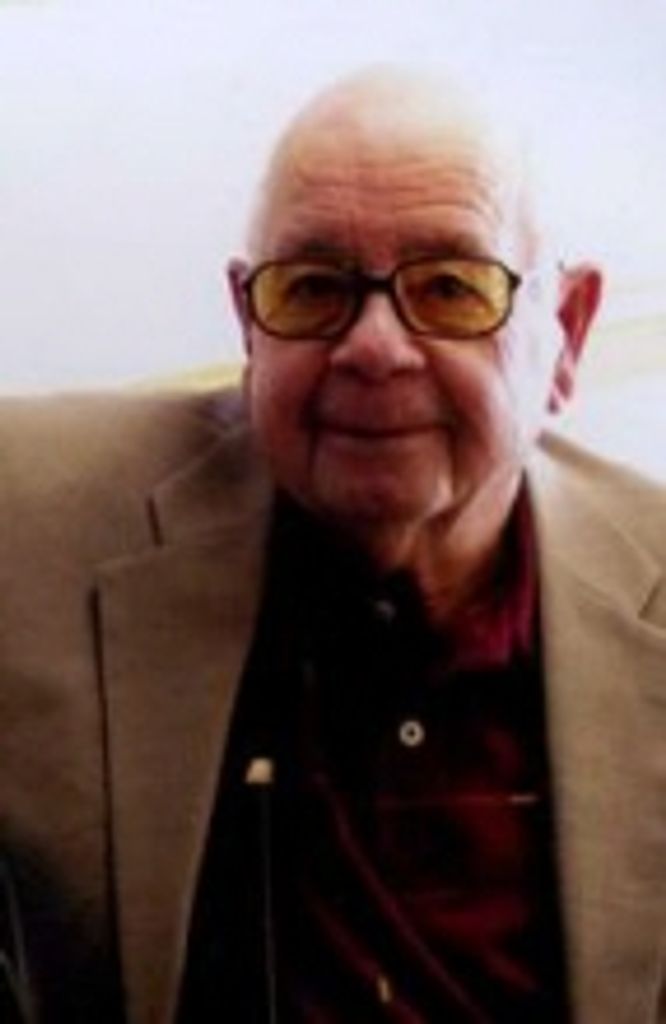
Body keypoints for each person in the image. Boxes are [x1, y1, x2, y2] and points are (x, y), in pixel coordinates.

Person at [0, 67, 664, 1024]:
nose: (374, 347)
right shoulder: (33, 523)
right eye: (313, 288)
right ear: (248, 324)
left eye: (450, 287)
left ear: (565, 333)